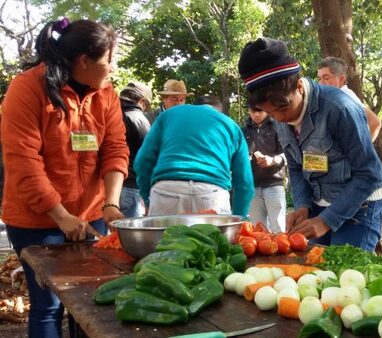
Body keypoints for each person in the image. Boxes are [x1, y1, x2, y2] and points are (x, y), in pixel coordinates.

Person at [0, 18, 128, 337]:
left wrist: (110, 204)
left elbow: (115, 148)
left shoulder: (106, 94)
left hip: (92, 215)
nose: (112, 69)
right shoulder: (27, 87)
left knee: (90, 300)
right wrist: (61, 216)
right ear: (84, 61)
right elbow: (24, 162)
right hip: (37, 219)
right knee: (50, 304)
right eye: (108, 61)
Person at [238, 38, 382, 251]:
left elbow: (369, 174)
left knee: (345, 275)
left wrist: (326, 220)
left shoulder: (340, 108)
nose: (279, 119)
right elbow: (297, 167)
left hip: (360, 205)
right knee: (314, 270)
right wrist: (303, 206)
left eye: (281, 109)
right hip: (319, 204)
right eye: (270, 113)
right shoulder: (280, 115)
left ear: (299, 86)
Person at [134, 104, 254, 217]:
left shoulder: (169, 115)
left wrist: (147, 198)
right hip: (212, 193)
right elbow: (244, 181)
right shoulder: (231, 126)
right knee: (215, 239)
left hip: (167, 191)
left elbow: (142, 162)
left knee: (163, 239)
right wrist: (240, 218)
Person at [243, 108, 287, 233]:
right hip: (252, 186)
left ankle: (282, 252)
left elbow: (289, 155)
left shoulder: (278, 128)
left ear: (267, 110)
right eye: (253, 111)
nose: (256, 115)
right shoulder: (243, 132)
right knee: (257, 231)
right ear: (248, 111)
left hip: (274, 184)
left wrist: (273, 160)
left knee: (279, 229)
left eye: (260, 111)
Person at [317, 57, 382, 140]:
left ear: (341, 79)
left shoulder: (346, 97)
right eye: (319, 78)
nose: (321, 83)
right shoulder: (333, 98)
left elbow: (375, 123)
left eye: (326, 78)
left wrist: (361, 151)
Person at [119, 82, 152, 217]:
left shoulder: (109, 114)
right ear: (142, 102)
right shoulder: (139, 119)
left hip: (110, 186)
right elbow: (148, 156)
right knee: (129, 236)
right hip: (131, 186)